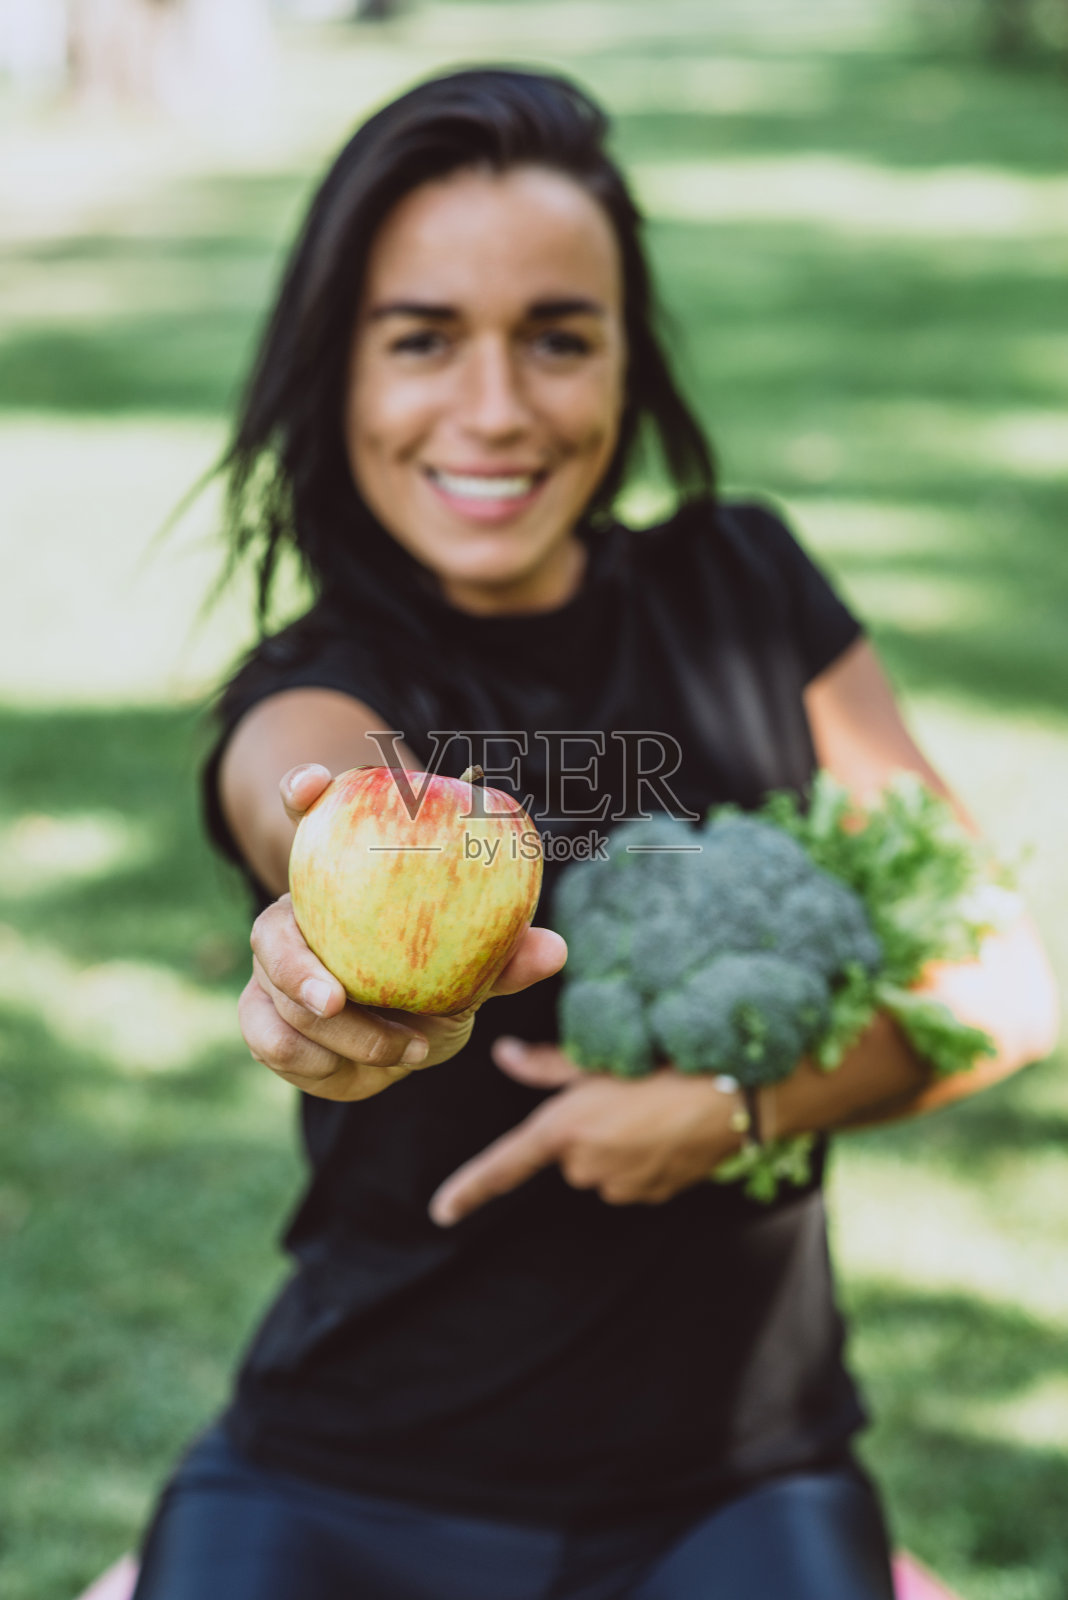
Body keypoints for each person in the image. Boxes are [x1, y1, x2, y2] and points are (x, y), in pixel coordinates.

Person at [130, 67, 1058, 1600]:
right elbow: (302, 790)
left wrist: (739, 1109)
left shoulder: (747, 588)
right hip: (348, 1471)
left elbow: (1007, 989)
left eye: (559, 337)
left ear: (627, 359)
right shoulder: (314, 689)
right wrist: (335, 969)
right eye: (423, 338)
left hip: (733, 1481)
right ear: (338, 369)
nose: (497, 408)